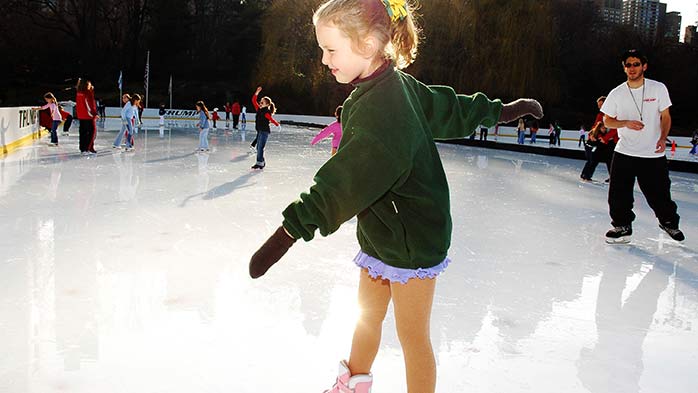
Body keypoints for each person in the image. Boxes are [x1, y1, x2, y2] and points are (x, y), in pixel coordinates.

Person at [247, 1, 543, 392]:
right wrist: (500, 110)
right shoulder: (383, 86)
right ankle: (352, 381)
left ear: (369, 44)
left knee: (412, 336)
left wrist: (287, 232)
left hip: (413, 239)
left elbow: (342, 184)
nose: (323, 60)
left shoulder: (383, 107)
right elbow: (446, 106)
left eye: (332, 50)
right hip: (383, 231)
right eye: (322, 49)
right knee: (367, 318)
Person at [601, 48, 684, 243]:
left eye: (636, 64)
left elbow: (665, 116)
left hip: (652, 153)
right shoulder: (617, 93)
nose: (632, 68)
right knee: (619, 193)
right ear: (624, 68)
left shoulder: (658, 88)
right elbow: (607, 121)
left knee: (659, 193)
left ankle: (669, 222)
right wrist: (625, 123)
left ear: (644, 66)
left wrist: (663, 137)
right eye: (628, 64)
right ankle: (622, 226)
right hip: (625, 151)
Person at [250, 86, 280, 169]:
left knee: (260, 147)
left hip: (264, 132)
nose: (260, 103)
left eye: (262, 102)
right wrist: (257, 92)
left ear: (267, 104)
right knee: (259, 147)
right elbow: (253, 100)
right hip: (260, 131)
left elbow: (271, 119)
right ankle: (260, 162)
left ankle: (260, 163)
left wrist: (277, 124)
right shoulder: (259, 109)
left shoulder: (267, 112)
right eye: (260, 102)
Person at [75, 78, 98, 155]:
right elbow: (89, 104)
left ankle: (82, 148)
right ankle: (88, 148)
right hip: (88, 115)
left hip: (81, 115)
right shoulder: (87, 92)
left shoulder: (79, 92)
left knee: (83, 132)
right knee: (92, 131)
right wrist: (94, 113)